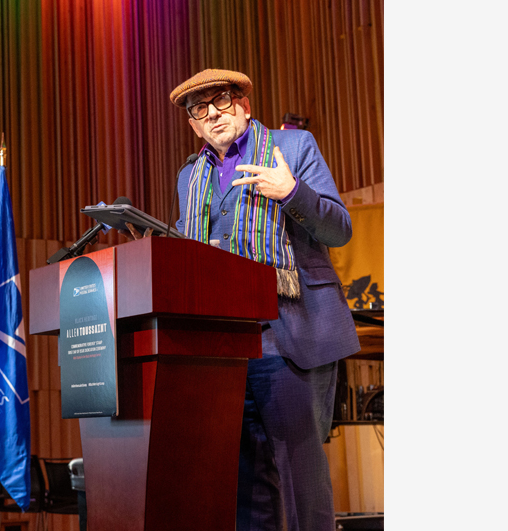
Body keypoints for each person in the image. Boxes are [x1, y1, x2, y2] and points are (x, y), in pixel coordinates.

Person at [160, 69, 361, 531]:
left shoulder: (293, 148)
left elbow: (339, 228)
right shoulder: (190, 178)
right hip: (222, 347)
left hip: (289, 333)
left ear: (244, 105)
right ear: (193, 125)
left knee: (301, 477)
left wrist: (291, 192)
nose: (212, 114)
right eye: (199, 110)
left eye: (221, 102)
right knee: (244, 482)